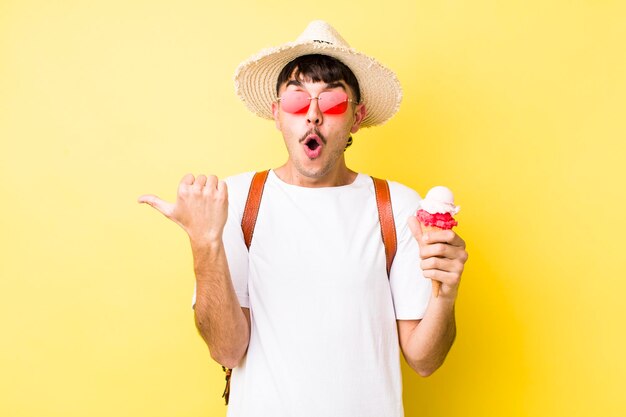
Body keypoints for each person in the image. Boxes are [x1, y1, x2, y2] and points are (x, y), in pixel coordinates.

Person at [138, 20, 468, 417]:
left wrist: (445, 292)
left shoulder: (396, 207)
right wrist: (204, 245)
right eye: (297, 102)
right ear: (278, 114)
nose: (312, 116)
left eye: (331, 103)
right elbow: (226, 349)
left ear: (356, 117)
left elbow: (424, 360)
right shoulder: (237, 202)